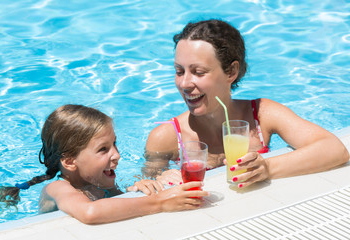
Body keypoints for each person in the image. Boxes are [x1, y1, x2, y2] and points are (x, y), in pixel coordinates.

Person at [143, 19, 349, 188]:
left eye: (198, 72)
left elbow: (334, 149)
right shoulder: (166, 137)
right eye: (179, 71)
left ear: (231, 72)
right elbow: (140, 188)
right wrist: (157, 182)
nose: (185, 83)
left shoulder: (262, 115)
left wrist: (266, 168)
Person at [0, 104, 208, 224]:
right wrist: (159, 203)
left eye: (114, 144)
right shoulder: (58, 188)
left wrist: (136, 189)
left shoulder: (99, 181)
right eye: (103, 149)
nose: (117, 155)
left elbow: (115, 203)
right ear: (69, 161)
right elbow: (90, 213)